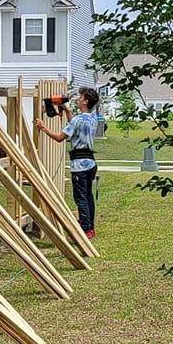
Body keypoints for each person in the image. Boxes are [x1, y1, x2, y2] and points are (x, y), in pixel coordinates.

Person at [40, 85, 105, 238]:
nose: (77, 99)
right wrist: (67, 111)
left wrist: (43, 128)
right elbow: (75, 125)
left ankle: (85, 229)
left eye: (80, 97)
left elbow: (59, 138)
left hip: (79, 165)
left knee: (80, 198)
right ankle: (90, 228)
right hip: (91, 164)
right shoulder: (93, 118)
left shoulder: (76, 120)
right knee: (88, 197)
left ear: (85, 101)